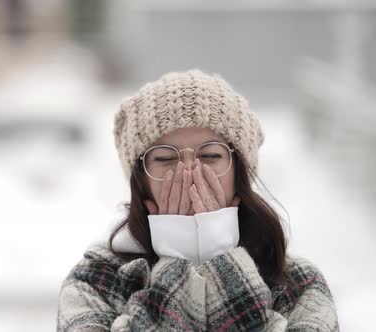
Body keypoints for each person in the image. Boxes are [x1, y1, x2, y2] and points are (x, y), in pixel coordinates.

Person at [56, 69, 339, 331]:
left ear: (240, 173)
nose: (189, 172)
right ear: (140, 181)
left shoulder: (300, 283)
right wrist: (179, 258)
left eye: (210, 156)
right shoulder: (93, 282)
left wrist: (218, 256)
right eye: (166, 158)